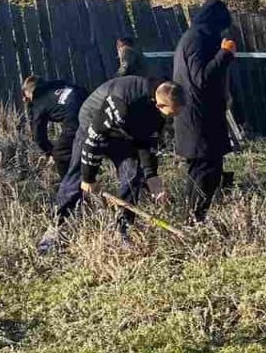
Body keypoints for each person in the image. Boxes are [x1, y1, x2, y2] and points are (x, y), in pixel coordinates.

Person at [38, 76, 184, 253]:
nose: (175, 118)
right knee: (76, 178)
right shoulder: (122, 102)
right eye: (173, 113)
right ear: (160, 105)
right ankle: (54, 229)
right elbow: (95, 139)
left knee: (133, 176)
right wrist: (88, 177)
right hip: (93, 124)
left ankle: (122, 230)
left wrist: (151, 175)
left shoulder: (159, 106)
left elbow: (147, 141)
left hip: (124, 132)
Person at [173, 0, 237, 223]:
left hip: (198, 116)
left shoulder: (192, 37)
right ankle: (195, 220)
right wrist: (225, 54)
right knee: (206, 171)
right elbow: (201, 78)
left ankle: (194, 219)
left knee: (201, 171)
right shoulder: (197, 40)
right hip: (198, 118)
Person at [22, 75, 88, 173]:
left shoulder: (38, 101)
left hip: (73, 117)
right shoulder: (58, 83)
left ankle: (70, 184)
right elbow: (81, 90)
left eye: (25, 97)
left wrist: (50, 152)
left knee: (61, 154)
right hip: (89, 104)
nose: (25, 100)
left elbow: (39, 137)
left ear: (29, 93)